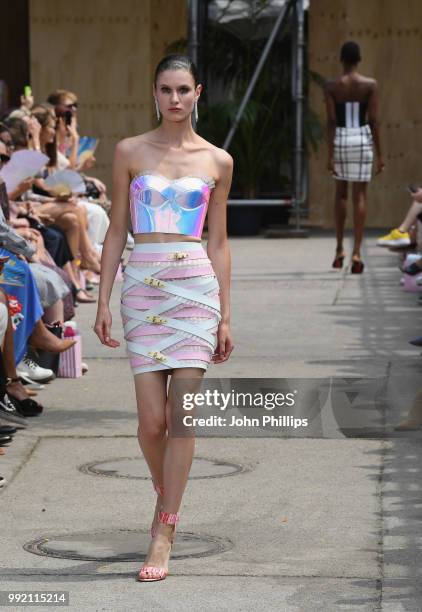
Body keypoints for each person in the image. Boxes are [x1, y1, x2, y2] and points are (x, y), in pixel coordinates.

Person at [93, 53, 234, 582]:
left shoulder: (219, 161)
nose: (174, 99)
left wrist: (225, 314)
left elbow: (218, 241)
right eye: (165, 90)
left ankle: (164, 532)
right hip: (142, 291)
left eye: (183, 90)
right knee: (151, 422)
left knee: (183, 416)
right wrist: (103, 299)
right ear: (153, 93)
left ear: (199, 93)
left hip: (195, 291)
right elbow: (114, 231)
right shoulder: (130, 151)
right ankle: (167, 494)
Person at [324, 41, 385, 273]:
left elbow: (331, 121)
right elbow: (374, 120)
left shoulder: (332, 86)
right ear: (358, 59)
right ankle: (357, 253)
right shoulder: (370, 85)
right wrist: (380, 155)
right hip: (362, 138)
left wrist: (330, 155)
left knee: (341, 194)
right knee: (360, 196)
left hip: (340, 137)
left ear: (342, 59)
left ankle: (340, 249)